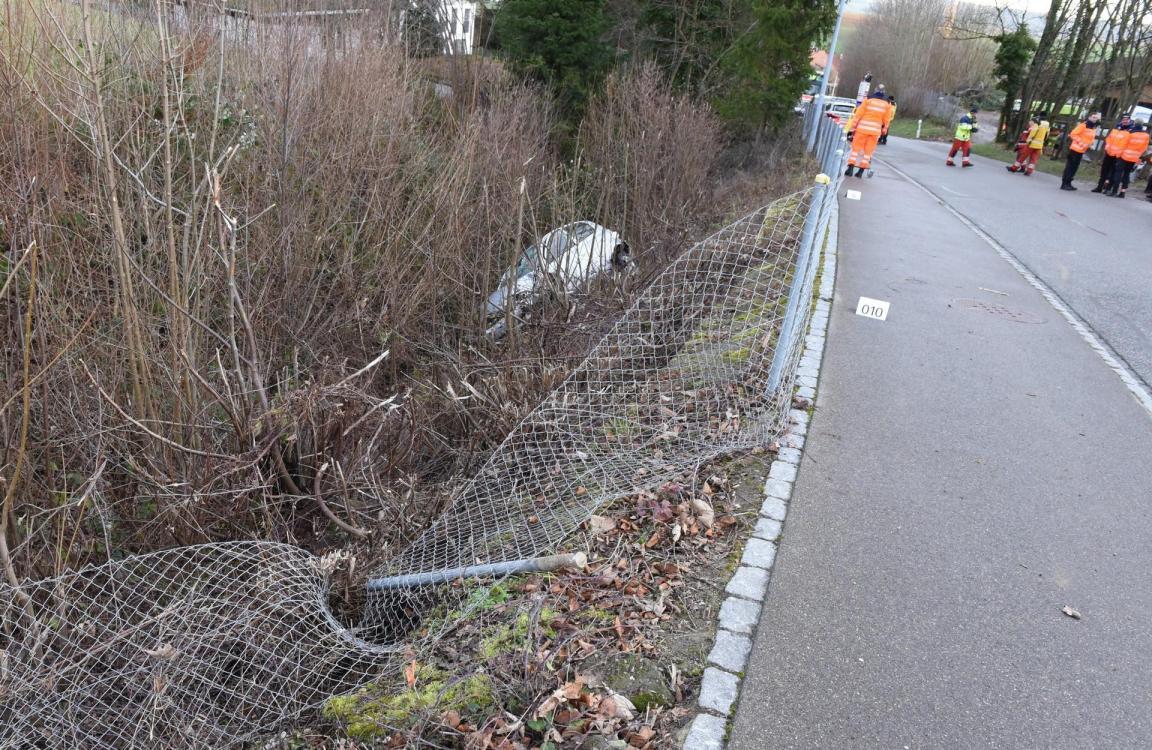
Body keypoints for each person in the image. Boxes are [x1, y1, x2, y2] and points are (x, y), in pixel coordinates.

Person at [844, 89, 895, 178]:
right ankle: (861, 172)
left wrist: (853, 127)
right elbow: (887, 118)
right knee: (868, 152)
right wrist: (885, 129)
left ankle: (850, 169)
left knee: (855, 149)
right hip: (875, 131)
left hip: (862, 129)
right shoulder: (887, 104)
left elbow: (858, 114)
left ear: (875, 92)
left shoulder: (868, 100)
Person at [1106, 120, 1150, 198]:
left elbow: (1123, 145)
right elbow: (1144, 148)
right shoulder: (1146, 135)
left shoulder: (1129, 133)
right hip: (1134, 157)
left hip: (1124, 156)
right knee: (1127, 174)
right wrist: (1138, 156)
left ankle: (1114, 191)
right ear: (1142, 125)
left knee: (1118, 173)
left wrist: (1118, 155)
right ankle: (1123, 192)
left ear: (1134, 124)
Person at [1059, 112, 1101, 191]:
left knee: (1075, 167)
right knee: (1070, 167)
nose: (1094, 119)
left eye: (1096, 118)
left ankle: (1069, 183)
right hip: (1075, 149)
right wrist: (1082, 143)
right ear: (1089, 117)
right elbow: (1073, 134)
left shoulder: (1093, 128)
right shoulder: (1083, 125)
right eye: (1093, 117)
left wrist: (1091, 143)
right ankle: (1064, 183)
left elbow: (1091, 138)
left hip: (1082, 150)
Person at [1092, 114, 1132, 193]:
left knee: (1114, 172)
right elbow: (1109, 139)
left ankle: (1108, 188)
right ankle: (1099, 187)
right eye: (1124, 119)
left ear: (1129, 120)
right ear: (1121, 120)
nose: (1125, 121)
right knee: (1104, 170)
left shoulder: (1130, 131)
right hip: (1109, 153)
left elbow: (1128, 144)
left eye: (1127, 119)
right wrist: (1107, 147)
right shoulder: (1116, 129)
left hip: (1118, 155)